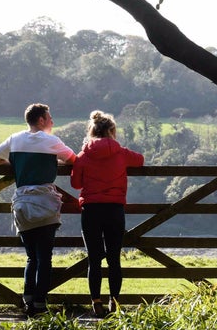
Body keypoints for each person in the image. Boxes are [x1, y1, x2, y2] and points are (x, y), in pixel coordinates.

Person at [0, 103, 75, 318]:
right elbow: (73, 160)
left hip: (22, 202)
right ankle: (40, 304)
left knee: (31, 257)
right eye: (50, 117)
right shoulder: (52, 141)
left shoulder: (15, 138)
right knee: (45, 257)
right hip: (45, 202)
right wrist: (51, 160)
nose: (52, 121)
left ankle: (28, 300)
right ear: (41, 120)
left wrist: (18, 166)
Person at [71, 110, 144, 318]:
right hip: (114, 209)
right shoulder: (120, 152)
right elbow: (140, 160)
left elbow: (76, 183)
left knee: (94, 259)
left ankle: (96, 302)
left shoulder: (83, 155)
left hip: (91, 210)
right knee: (114, 258)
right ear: (112, 131)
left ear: (92, 130)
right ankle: (115, 301)